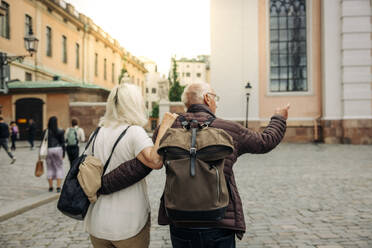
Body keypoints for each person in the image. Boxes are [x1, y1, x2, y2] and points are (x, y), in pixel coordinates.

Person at [98, 82, 289, 248]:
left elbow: (145, 164)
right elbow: (266, 141)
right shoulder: (230, 129)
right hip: (220, 220)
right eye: (215, 97)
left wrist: (101, 185)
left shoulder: (166, 129)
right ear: (207, 98)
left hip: (180, 220)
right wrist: (279, 118)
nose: (216, 102)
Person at [84, 83, 177, 248]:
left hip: (97, 222)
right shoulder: (134, 132)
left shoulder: (97, 132)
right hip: (128, 223)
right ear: (135, 104)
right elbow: (156, 161)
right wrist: (164, 127)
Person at [43, 116, 65, 193]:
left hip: (48, 150)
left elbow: (43, 143)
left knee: (49, 168)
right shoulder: (60, 131)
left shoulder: (45, 131)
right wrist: (63, 154)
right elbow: (63, 143)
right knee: (59, 167)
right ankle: (58, 187)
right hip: (57, 149)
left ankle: (50, 187)